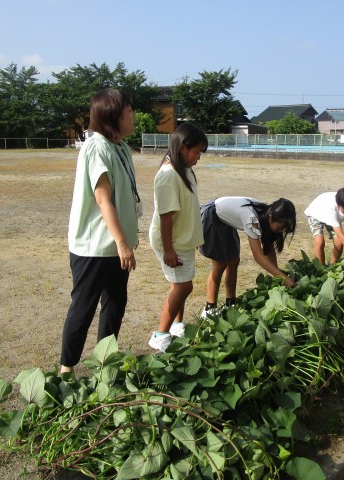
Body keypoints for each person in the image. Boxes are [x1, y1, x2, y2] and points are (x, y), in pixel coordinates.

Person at [59, 89, 140, 374]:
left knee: (115, 304)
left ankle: (104, 362)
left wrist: (127, 238)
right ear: (113, 115)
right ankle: (66, 369)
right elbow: (103, 199)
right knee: (84, 306)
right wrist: (122, 242)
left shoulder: (121, 147)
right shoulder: (96, 147)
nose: (133, 114)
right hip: (94, 245)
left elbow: (124, 196)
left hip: (117, 245)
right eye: (129, 110)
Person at [148, 124, 208, 352]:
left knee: (178, 283)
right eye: (197, 152)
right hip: (171, 240)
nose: (198, 157)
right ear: (183, 148)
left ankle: (176, 325)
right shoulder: (168, 175)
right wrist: (169, 250)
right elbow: (166, 217)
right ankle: (160, 336)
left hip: (182, 238)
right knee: (183, 286)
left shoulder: (184, 170)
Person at [199, 197, 297, 317]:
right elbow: (258, 256)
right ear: (271, 217)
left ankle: (230, 303)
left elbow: (269, 248)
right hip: (212, 215)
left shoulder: (266, 213)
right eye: (280, 227)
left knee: (234, 261)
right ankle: (209, 310)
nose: (280, 231)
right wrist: (283, 278)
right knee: (220, 263)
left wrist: (278, 274)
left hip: (224, 218)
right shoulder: (252, 219)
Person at [304, 187, 344, 265]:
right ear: (338, 204)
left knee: (339, 243)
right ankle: (320, 267)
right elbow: (340, 234)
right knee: (319, 241)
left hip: (333, 217)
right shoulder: (331, 207)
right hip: (316, 213)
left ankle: (333, 265)